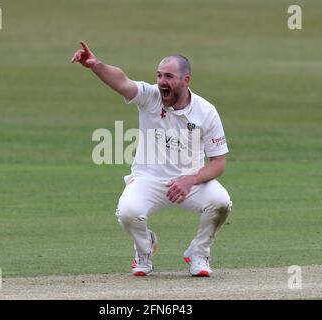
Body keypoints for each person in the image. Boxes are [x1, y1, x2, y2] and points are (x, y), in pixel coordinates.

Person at [71, 41, 232, 277]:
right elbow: (123, 82)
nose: (161, 82)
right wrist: (96, 66)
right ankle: (145, 249)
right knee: (127, 212)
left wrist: (190, 180)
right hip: (148, 178)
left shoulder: (206, 111)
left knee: (221, 202)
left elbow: (219, 162)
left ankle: (199, 253)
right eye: (159, 75)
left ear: (186, 80)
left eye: (169, 76)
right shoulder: (150, 97)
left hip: (189, 181)